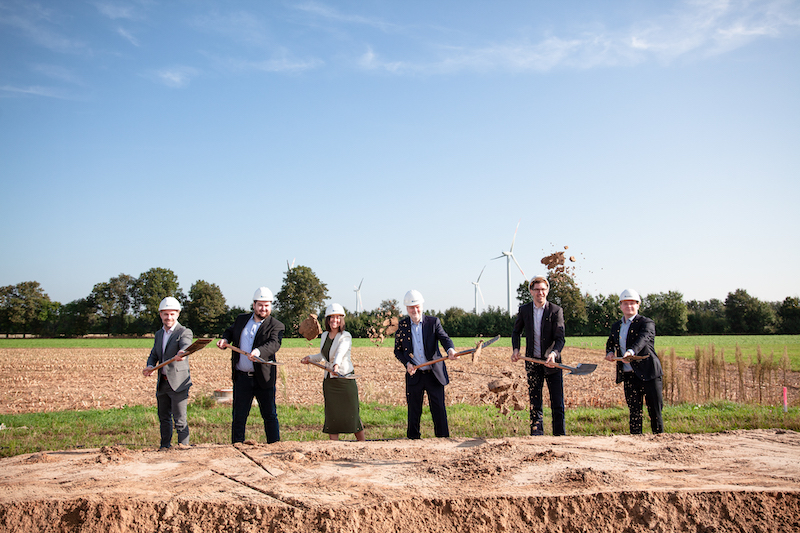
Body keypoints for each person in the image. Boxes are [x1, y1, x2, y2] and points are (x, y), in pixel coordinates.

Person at [217, 287, 285, 444]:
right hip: (242, 378)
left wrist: (258, 352)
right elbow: (229, 331)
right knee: (239, 416)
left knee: (269, 415)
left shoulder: (276, 325)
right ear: (254, 305)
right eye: (260, 305)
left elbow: (274, 344)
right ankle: (237, 446)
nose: (263, 308)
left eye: (267, 305)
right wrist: (225, 340)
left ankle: (274, 446)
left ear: (270, 306)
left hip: (264, 378)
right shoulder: (241, 319)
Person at [393, 290, 456, 439]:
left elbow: (444, 338)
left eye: (417, 306)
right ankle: (413, 440)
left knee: (439, 409)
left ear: (421, 306)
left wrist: (451, 350)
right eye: (411, 307)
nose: (415, 310)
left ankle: (443, 439)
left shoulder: (433, 322)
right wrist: (407, 363)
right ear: (407, 309)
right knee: (414, 410)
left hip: (434, 374)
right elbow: (398, 350)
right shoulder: (402, 326)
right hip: (415, 375)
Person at [300, 303, 365, 441]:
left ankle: (362, 444)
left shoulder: (345, 336)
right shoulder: (324, 335)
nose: (334, 320)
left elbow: (340, 353)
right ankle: (334, 446)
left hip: (344, 379)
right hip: (329, 382)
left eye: (337, 318)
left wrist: (336, 365)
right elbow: (323, 356)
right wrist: (310, 358)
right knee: (332, 415)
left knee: (352, 413)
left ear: (341, 320)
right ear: (327, 320)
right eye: (332, 318)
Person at [511, 276, 566, 436]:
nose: (540, 292)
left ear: (547, 291)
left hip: (552, 364)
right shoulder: (524, 310)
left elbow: (560, 338)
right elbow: (516, 332)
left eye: (543, 289)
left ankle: (560, 436)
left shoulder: (556, 311)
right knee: (535, 403)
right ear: (531, 291)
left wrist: (554, 354)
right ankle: (537, 436)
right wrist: (516, 349)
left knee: (557, 403)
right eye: (536, 289)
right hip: (532, 363)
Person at [605, 288, 664, 434]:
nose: (629, 306)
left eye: (632, 303)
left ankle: (660, 444)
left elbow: (642, 340)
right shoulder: (616, 326)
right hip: (629, 375)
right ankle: (636, 447)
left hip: (649, 374)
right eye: (625, 304)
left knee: (655, 413)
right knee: (634, 413)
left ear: (638, 305)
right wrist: (610, 352)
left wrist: (631, 352)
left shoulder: (646, 323)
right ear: (620, 306)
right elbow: (610, 342)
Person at [142, 296, 194, 451]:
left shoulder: (184, 332)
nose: (169, 317)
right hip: (163, 382)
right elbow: (154, 354)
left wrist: (182, 353)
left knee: (180, 419)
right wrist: (150, 365)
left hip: (178, 382)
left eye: (172, 314)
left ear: (177, 314)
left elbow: (186, 346)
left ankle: (183, 447)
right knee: (164, 417)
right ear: (161, 315)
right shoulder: (159, 334)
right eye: (166, 314)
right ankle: (165, 446)